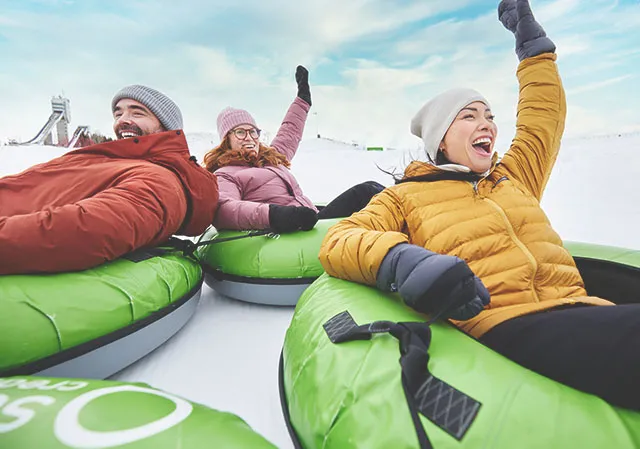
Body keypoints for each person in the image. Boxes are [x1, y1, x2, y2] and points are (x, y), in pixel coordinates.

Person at [319, 0, 640, 411]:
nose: (487, 123)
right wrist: (404, 261)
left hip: (581, 307)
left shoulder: (512, 177)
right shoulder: (405, 196)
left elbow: (543, 116)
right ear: (440, 139)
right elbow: (341, 239)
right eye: (469, 116)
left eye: (489, 115)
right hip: (507, 322)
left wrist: (533, 47)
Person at [0, 85, 219, 275]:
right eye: (118, 114)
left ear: (166, 126)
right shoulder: (112, 160)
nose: (123, 120)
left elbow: (83, 231)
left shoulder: (160, 180)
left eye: (138, 113)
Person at [203, 65, 385, 233]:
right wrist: (273, 214)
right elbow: (225, 209)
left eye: (253, 131)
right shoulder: (225, 174)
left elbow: (289, 133)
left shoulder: (269, 159)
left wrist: (303, 100)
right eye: (240, 132)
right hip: (292, 231)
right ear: (227, 140)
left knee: (374, 190)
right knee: (366, 192)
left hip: (309, 217)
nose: (249, 137)